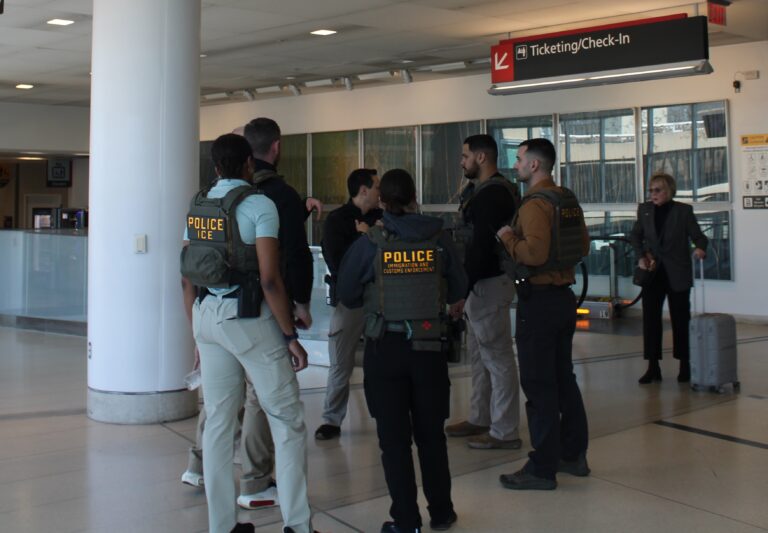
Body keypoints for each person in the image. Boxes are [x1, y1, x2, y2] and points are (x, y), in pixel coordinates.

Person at [181, 133, 313, 533]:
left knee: (220, 423)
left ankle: (222, 526)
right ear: (247, 165)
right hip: (248, 317)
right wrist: (290, 336)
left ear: (216, 167)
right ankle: (297, 524)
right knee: (286, 421)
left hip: (206, 316)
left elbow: (185, 277)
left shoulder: (197, 204)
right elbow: (271, 280)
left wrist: (197, 336)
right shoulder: (259, 205)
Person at [337, 169, 467, 533]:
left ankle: (406, 521)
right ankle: (442, 512)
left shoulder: (371, 243)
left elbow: (347, 293)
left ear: (382, 202)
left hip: (386, 350)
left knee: (393, 442)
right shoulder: (439, 239)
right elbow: (459, 286)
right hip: (430, 348)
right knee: (431, 436)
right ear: (414, 197)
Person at [496, 138, 590, 490]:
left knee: (538, 383)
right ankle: (573, 453)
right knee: (563, 379)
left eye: (520, 159)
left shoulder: (535, 205)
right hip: (564, 298)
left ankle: (542, 467)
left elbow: (532, 254)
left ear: (534, 165)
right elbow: (582, 245)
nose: (517, 164)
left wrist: (508, 237)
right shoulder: (566, 199)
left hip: (539, 301)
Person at [444, 134, 522, 450]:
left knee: (498, 358)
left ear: (480, 158)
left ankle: (504, 431)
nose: (461, 162)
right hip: (479, 284)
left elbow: (481, 248)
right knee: (480, 356)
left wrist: (461, 291)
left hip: (488, 283)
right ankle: (480, 417)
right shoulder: (481, 192)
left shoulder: (493, 196)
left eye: (464, 156)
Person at [315, 168, 382, 441]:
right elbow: (339, 263)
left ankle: (384, 413)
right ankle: (331, 419)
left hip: (380, 299)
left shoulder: (383, 218)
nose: (380, 191)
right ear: (363, 190)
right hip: (351, 299)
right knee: (340, 362)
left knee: (381, 362)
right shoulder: (338, 220)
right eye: (376, 186)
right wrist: (366, 238)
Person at [630, 172, 708, 384]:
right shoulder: (645, 210)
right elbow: (635, 235)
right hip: (653, 273)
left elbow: (699, 236)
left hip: (677, 272)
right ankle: (653, 366)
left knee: (681, 320)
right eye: (651, 190)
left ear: (669, 191)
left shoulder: (683, 211)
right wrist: (640, 256)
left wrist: (700, 248)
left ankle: (685, 365)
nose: (653, 194)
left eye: (658, 190)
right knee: (651, 320)